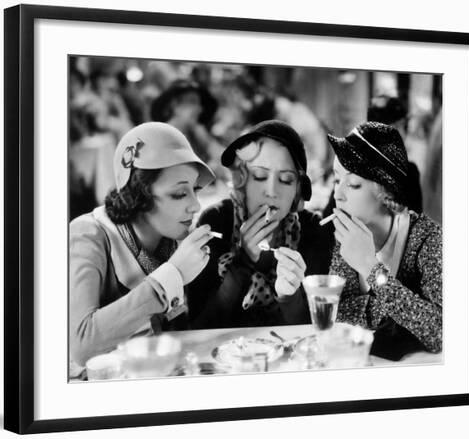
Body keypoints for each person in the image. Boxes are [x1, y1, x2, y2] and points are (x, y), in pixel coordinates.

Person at [69, 122, 216, 367]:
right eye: (179, 194)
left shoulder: (176, 239)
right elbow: (82, 346)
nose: (196, 206)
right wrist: (172, 276)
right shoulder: (89, 235)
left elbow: (193, 330)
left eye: (195, 190)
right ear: (139, 195)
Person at [187, 120, 334, 329]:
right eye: (259, 176)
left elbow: (317, 333)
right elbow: (199, 328)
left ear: (297, 192)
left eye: (285, 180)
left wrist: (289, 297)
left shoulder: (313, 230)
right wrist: (242, 263)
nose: (271, 191)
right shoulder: (216, 222)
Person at [326, 121, 442, 360]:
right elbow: (337, 316)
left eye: (354, 184)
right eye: (337, 180)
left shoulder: (428, 239)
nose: (338, 194)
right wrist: (397, 311)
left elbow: (441, 331)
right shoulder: (348, 236)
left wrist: (371, 269)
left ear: (386, 193)